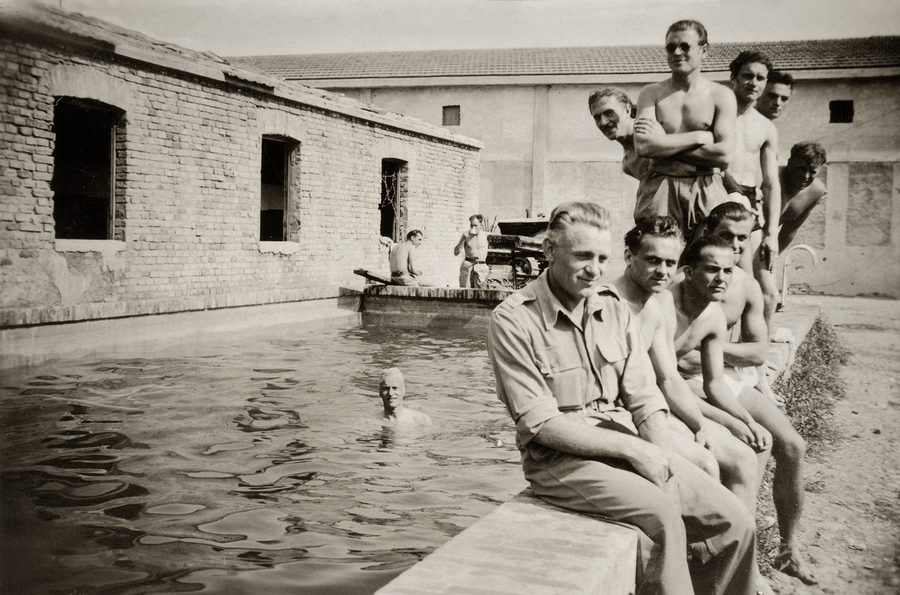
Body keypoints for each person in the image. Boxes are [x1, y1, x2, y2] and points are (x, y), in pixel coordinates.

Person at [487, 201, 757, 595]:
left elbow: (645, 397)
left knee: (735, 521)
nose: (594, 269)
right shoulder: (513, 319)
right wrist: (635, 450)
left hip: (626, 438)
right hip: (561, 460)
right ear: (549, 250)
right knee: (664, 518)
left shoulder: (612, 309)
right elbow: (540, 423)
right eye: (583, 256)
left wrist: (662, 455)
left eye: (601, 258)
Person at [680, 204, 817, 585]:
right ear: (709, 232)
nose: (737, 245)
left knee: (794, 446)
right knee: (753, 450)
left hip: (726, 375)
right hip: (692, 379)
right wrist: (705, 352)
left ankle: (789, 550)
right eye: (727, 235)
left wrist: (707, 346)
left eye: (743, 238)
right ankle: (744, 563)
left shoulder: (746, 284)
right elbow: (671, 354)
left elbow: (758, 352)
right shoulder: (688, 276)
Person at [613, 217, 763, 517]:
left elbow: (669, 379)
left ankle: (738, 540)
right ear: (629, 257)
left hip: (649, 407)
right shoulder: (617, 303)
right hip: (620, 413)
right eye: (653, 260)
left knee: (742, 458)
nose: (663, 271)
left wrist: (700, 425)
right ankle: (710, 539)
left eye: (670, 263)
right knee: (706, 463)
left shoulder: (653, 305)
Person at [633, 20, 736, 242]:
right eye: (671, 47)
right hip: (660, 187)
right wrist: (698, 137)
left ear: (704, 50)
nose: (677, 53)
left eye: (685, 46)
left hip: (705, 186)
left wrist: (663, 142)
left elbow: (724, 156)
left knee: (708, 253)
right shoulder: (651, 93)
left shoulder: (721, 95)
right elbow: (643, 146)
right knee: (658, 251)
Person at [722, 51, 781, 331]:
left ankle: (759, 352)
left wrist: (771, 233)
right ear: (733, 78)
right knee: (740, 283)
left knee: (768, 293)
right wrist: (732, 191)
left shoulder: (766, 127)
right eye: (747, 75)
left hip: (749, 205)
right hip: (720, 199)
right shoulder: (719, 115)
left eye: (760, 78)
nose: (753, 83)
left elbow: (771, 184)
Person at [588, 88, 660, 182]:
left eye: (609, 113)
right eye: (597, 118)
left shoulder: (653, 133)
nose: (603, 122)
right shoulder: (627, 163)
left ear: (627, 110)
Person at [778, 142, 828, 252]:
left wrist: (775, 255)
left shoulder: (816, 191)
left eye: (812, 171)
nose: (806, 176)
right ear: (789, 163)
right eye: (801, 168)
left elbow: (790, 230)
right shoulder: (772, 178)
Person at [453, 214, 490, 288]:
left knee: (481, 291)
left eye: (475, 225)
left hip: (481, 266)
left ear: (481, 224)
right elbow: (456, 252)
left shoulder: (486, 236)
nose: (473, 228)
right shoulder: (465, 235)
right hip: (467, 265)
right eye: (471, 225)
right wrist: (463, 239)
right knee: (465, 291)